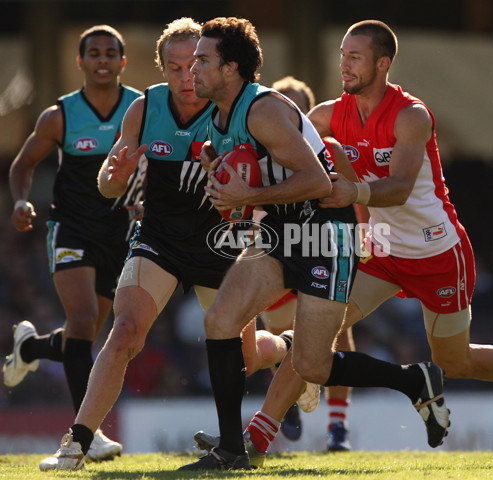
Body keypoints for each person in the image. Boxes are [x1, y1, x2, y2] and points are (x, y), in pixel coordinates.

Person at [196, 19, 493, 465]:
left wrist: (354, 193)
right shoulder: (327, 115)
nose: (344, 64)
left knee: (455, 361)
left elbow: (402, 186)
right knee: (318, 338)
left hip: (436, 251)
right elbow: (287, 157)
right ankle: (257, 436)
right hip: (378, 249)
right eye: (342, 56)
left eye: (355, 57)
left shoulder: (412, 115)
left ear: (383, 63)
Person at [178, 17, 448, 472]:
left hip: (325, 233)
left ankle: (413, 380)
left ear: (231, 69)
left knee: (314, 366)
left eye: (203, 60)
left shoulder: (261, 110)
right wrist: (221, 180)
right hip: (282, 230)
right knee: (220, 321)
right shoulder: (217, 114)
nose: (192, 69)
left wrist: (248, 195)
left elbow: (318, 180)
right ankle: (230, 450)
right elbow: (250, 177)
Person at [37, 17, 292, 472]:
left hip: (224, 246)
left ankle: (285, 350)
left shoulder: (238, 109)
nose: (185, 76)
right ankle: (75, 444)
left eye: (193, 64)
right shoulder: (144, 108)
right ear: (160, 69)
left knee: (248, 358)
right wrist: (112, 177)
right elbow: (109, 185)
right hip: (159, 241)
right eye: (173, 68)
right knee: (124, 334)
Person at [5, 24, 143, 462]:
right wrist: (22, 200)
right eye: (94, 53)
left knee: (84, 336)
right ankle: (89, 433)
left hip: (118, 235)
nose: (102, 59)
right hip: (70, 230)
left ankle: (30, 348)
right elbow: (23, 164)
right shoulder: (59, 115)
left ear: (122, 62)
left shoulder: (140, 111)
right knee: (82, 319)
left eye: (110, 53)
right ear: (80, 61)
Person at [262, 76, 358, 450]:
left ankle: (338, 428)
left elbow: (354, 202)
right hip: (281, 250)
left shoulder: (333, 150)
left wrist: (362, 244)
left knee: (339, 332)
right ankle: (287, 401)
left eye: (298, 106)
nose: (291, 113)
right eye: (283, 105)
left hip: (324, 249)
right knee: (280, 333)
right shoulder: (262, 150)